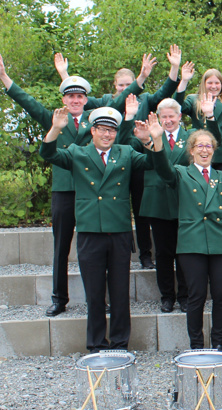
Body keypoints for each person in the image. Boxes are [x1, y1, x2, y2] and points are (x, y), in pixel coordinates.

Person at [0, 53, 141, 317]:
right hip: (65, 192)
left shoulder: (96, 121)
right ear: (64, 99)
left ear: (86, 100)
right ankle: (59, 298)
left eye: (79, 97)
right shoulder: (55, 118)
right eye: (70, 97)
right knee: (61, 247)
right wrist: (5, 77)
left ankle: (101, 300)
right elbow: (27, 102)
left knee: (102, 248)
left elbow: (121, 101)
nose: (75, 101)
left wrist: (141, 78)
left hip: (94, 193)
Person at [56, 48, 186, 270]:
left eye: (129, 84)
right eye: (121, 85)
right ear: (114, 86)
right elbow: (77, 100)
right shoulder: (107, 102)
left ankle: (145, 253)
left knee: (141, 208)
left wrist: (174, 68)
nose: (125, 89)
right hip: (109, 164)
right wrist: (64, 75)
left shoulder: (145, 99)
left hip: (137, 159)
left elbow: (166, 91)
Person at [40, 106, 154, 352]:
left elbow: (152, 163)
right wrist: (56, 128)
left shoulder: (125, 152)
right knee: (94, 294)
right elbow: (48, 154)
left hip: (119, 231)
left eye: (112, 130)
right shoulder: (77, 152)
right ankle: (96, 344)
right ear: (92, 131)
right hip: (91, 231)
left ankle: (120, 343)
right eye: (102, 129)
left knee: (120, 292)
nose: (107, 134)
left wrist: (148, 141)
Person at [145, 111, 222, 351]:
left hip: (220, 243)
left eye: (209, 146)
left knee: (221, 294)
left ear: (214, 151)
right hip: (191, 243)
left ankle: (218, 344)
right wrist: (158, 141)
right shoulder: (182, 173)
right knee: (195, 296)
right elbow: (163, 170)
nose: (205, 150)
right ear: (191, 151)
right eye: (200, 146)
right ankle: (196, 345)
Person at [126, 95, 221, 313]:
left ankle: (185, 295)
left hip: (184, 200)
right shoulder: (148, 134)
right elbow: (126, 144)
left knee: (185, 252)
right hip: (158, 202)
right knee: (163, 253)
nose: (168, 121)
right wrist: (143, 138)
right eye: (164, 117)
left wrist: (209, 116)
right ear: (158, 118)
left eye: (172, 116)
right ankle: (167, 296)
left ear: (179, 116)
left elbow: (213, 142)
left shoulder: (190, 137)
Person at [175, 67, 222, 175]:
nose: (213, 86)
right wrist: (184, 81)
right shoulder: (194, 100)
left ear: (221, 85)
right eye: (210, 83)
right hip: (200, 155)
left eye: (217, 83)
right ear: (204, 84)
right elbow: (177, 106)